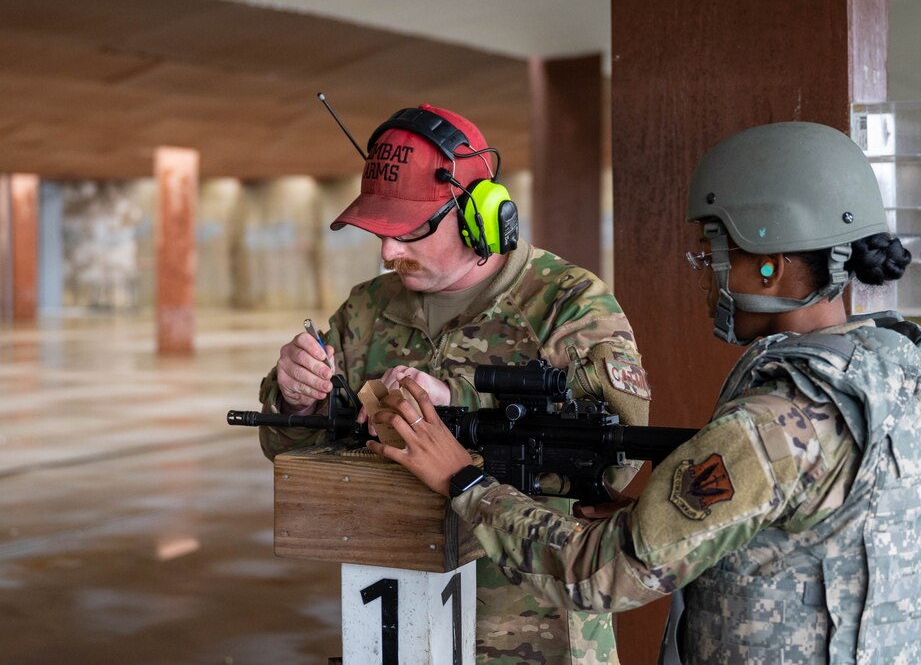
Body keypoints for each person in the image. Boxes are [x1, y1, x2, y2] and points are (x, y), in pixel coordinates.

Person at [368, 121, 921, 664]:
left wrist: (462, 481)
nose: (707, 275)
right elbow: (830, 531)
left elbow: (599, 575)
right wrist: (654, 518)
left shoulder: (779, 419)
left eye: (715, 254)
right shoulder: (919, 371)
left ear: (772, 264)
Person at [256, 104, 651, 665]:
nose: (389, 252)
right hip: (401, 630)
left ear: (478, 213)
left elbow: (617, 455)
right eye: (380, 232)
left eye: (411, 230)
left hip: (533, 637)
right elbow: (287, 447)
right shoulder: (369, 307)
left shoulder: (565, 301)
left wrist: (462, 399)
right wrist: (297, 397)